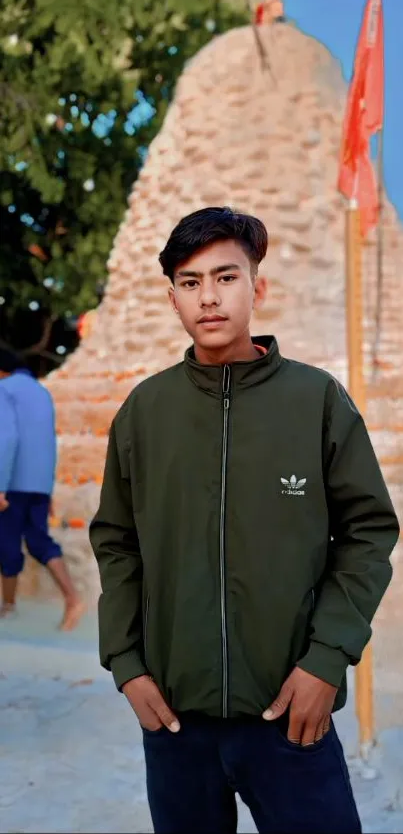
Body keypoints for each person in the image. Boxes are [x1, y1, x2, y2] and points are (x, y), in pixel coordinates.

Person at [90, 207, 399, 834]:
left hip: (291, 715)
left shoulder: (316, 402)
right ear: (173, 297)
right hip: (175, 725)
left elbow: (368, 532)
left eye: (226, 277)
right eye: (190, 281)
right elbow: (117, 544)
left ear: (257, 286)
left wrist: (326, 659)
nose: (209, 297)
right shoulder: (144, 413)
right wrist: (126, 665)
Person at [0, 347, 84, 629]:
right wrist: (46, 488)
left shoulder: (4, 389)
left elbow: (6, 437)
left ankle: (9, 607)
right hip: (37, 483)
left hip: (12, 481)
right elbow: (48, 440)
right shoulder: (41, 391)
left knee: (7, 543)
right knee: (38, 540)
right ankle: (72, 598)